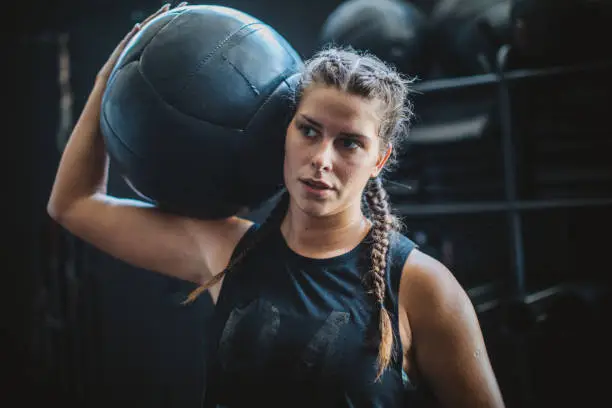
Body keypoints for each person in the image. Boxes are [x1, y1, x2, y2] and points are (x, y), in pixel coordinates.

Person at [47, 3, 506, 407]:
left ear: (379, 160)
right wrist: (110, 80)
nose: (321, 160)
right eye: (309, 130)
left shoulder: (421, 286)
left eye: (349, 144)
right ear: (284, 131)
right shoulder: (229, 252)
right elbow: (72, 204)